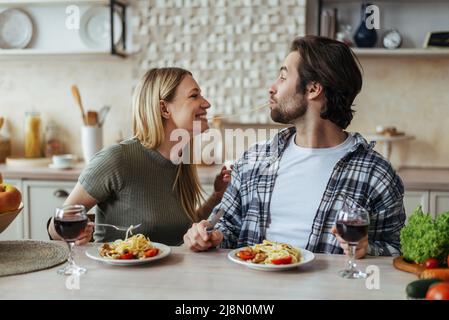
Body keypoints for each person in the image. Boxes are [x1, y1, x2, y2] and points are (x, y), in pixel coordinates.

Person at [184, 36, 406, 257]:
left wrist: (366, 249)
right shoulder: (253, 161)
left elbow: (398, 248)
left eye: (282, 77)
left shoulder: (375, 174)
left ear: (313, 89)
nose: (272, 88)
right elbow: (227, 227)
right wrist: (211, 237)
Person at [48, 67, 231, 245]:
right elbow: (55, 226)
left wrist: (217, 195)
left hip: (170, 274)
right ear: (164, 109)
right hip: (119, 274)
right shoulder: (117, 159)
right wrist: (76, 232)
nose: (206, 103)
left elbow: (183, 228)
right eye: (194, 95)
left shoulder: (183, 159)